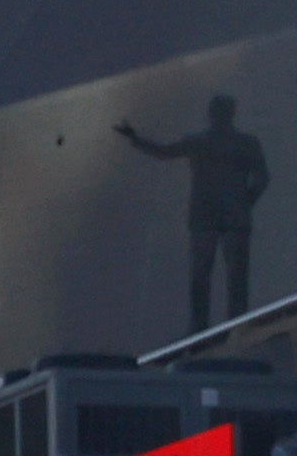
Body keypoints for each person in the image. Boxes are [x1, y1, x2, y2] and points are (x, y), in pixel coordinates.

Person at [116, 96, 273, 332]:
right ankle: (234, 329)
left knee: (204, 277)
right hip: (225, 218)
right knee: (230, 278)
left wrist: (135, 139)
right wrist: (244, 202)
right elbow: (262, 179)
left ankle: (203, 330)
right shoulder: (245, 143)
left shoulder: (201, 142)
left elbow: (164, 152)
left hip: (208, 217)